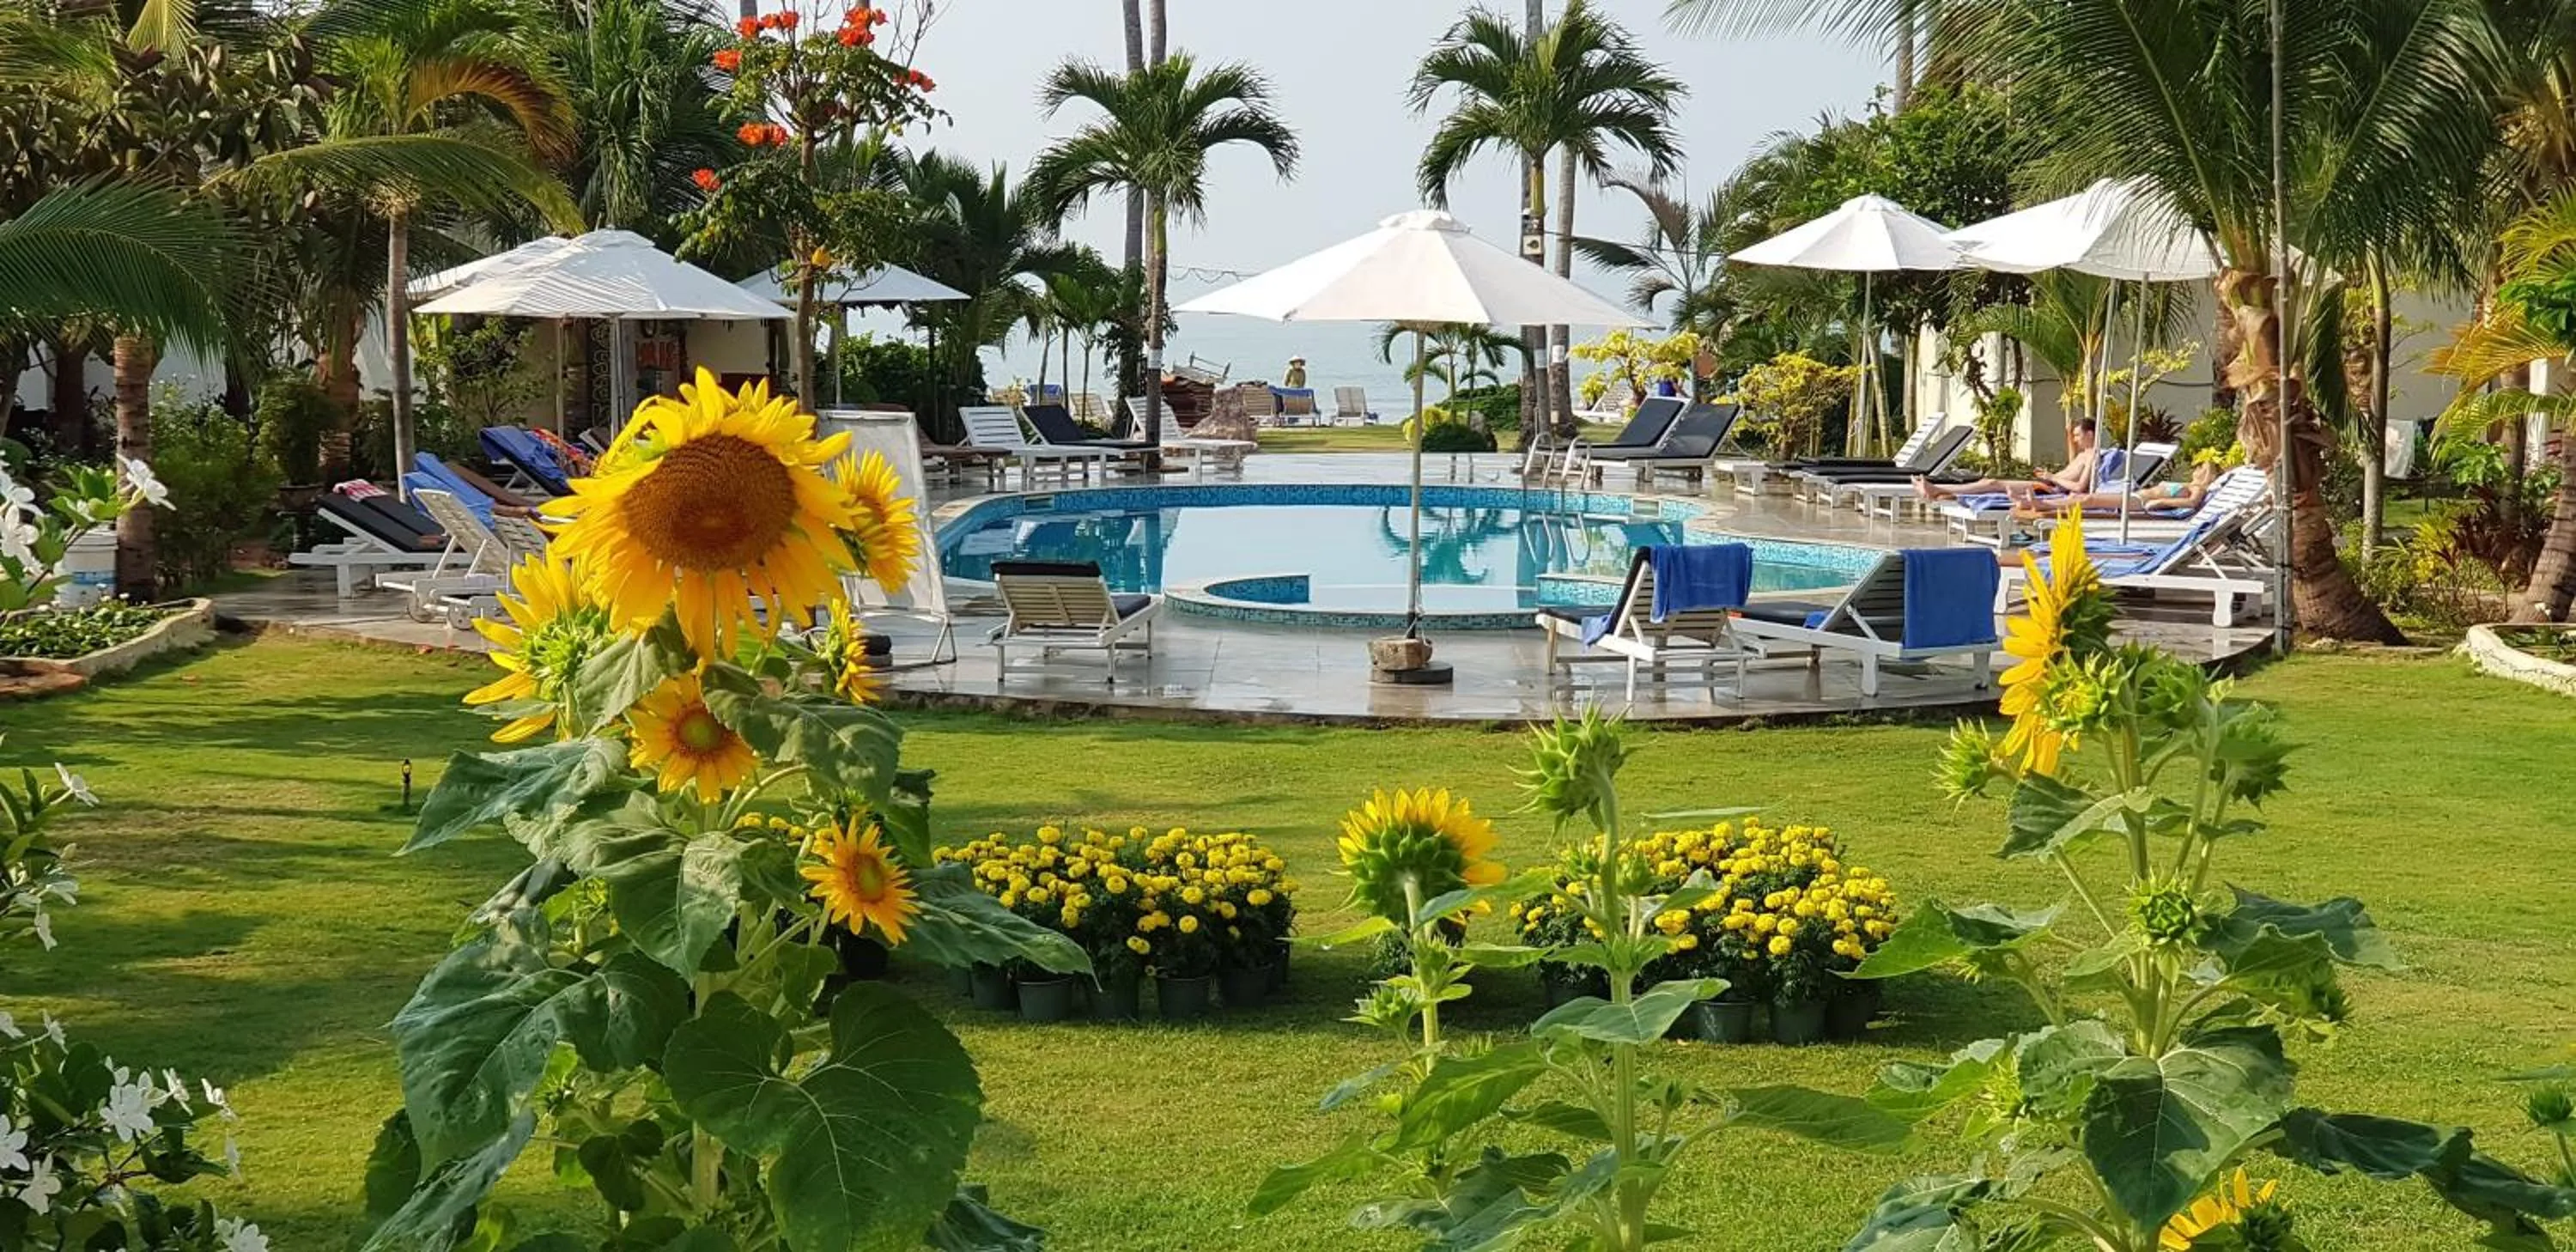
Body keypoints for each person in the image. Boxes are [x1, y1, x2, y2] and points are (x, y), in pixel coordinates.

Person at [1915, 421, 2099, 501]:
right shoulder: (2082, 455)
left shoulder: (2093, 457)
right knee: (1990, 481)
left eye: (2078, 435)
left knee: (1992, 483)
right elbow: (2071, 462)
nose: (2075, 439)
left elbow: (2080, 488)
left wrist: (2052, 477)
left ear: (2090, 434)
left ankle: (1937, 488)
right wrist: (2069, 433)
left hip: (2049, 490)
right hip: (2046, 483)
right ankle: (1938, 489)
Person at [2014, 460, 2219, 518]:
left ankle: (2042, 504)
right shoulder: (2188, 484)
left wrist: (2162, 502)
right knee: (2084, 498)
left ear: (2207, 475)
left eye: (2202, 468)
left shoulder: (2198, 489)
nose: (2197, 469)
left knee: (2088, 501)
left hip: (2138, 503)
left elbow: (2191, 503)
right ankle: (2037, 503)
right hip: (2136, 496)